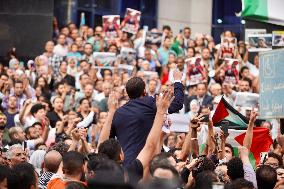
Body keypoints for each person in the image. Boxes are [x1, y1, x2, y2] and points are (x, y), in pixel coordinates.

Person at [111, 70, 184, 165]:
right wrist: (177, 80)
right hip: (150, 164)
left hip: (126, 165)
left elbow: (109, 141)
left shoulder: (117, 113)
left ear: (127, 94)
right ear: (144, 91)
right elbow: (177, 103)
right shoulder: (152, 103)